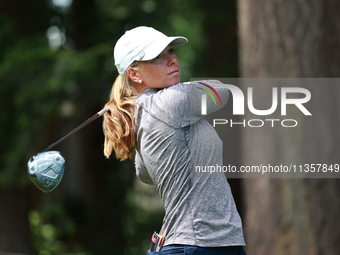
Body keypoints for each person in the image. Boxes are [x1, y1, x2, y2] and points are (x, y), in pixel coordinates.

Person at [102, 26, 246, 255]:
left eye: (170, 51)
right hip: (199, 244)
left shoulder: (141, 114)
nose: (172, 60)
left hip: (199, 243)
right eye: (158, 56)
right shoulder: (171, 102)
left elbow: (144, 173)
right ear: (134, 74)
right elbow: (222, 92)